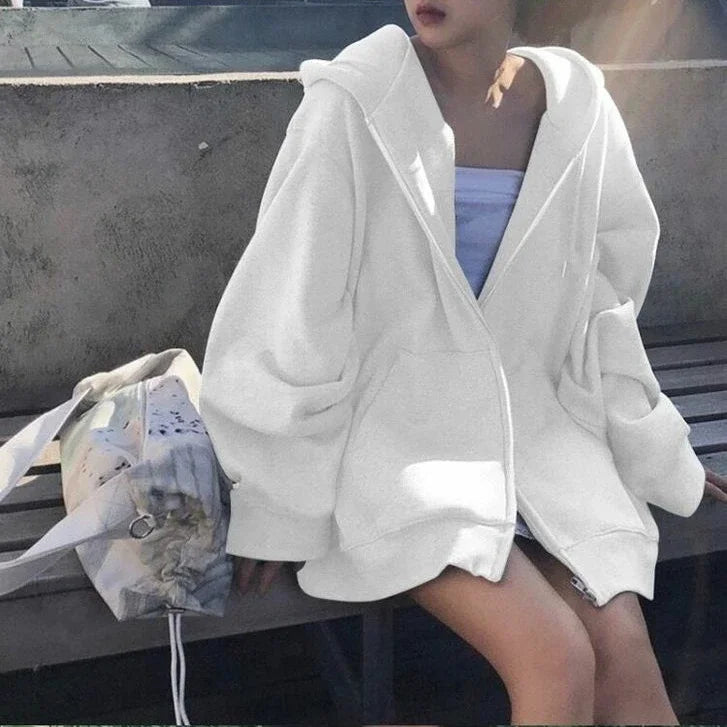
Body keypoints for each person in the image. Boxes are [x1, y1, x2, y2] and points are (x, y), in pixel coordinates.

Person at [199, 2, 727, 724]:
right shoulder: (355, 100)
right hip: (395, 446)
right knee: (555, 656)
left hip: (544, 439)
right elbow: (289, 311)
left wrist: (658, 450)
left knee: (624, 655)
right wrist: (275, 499)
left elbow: (602, 312)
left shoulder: (579, 109)